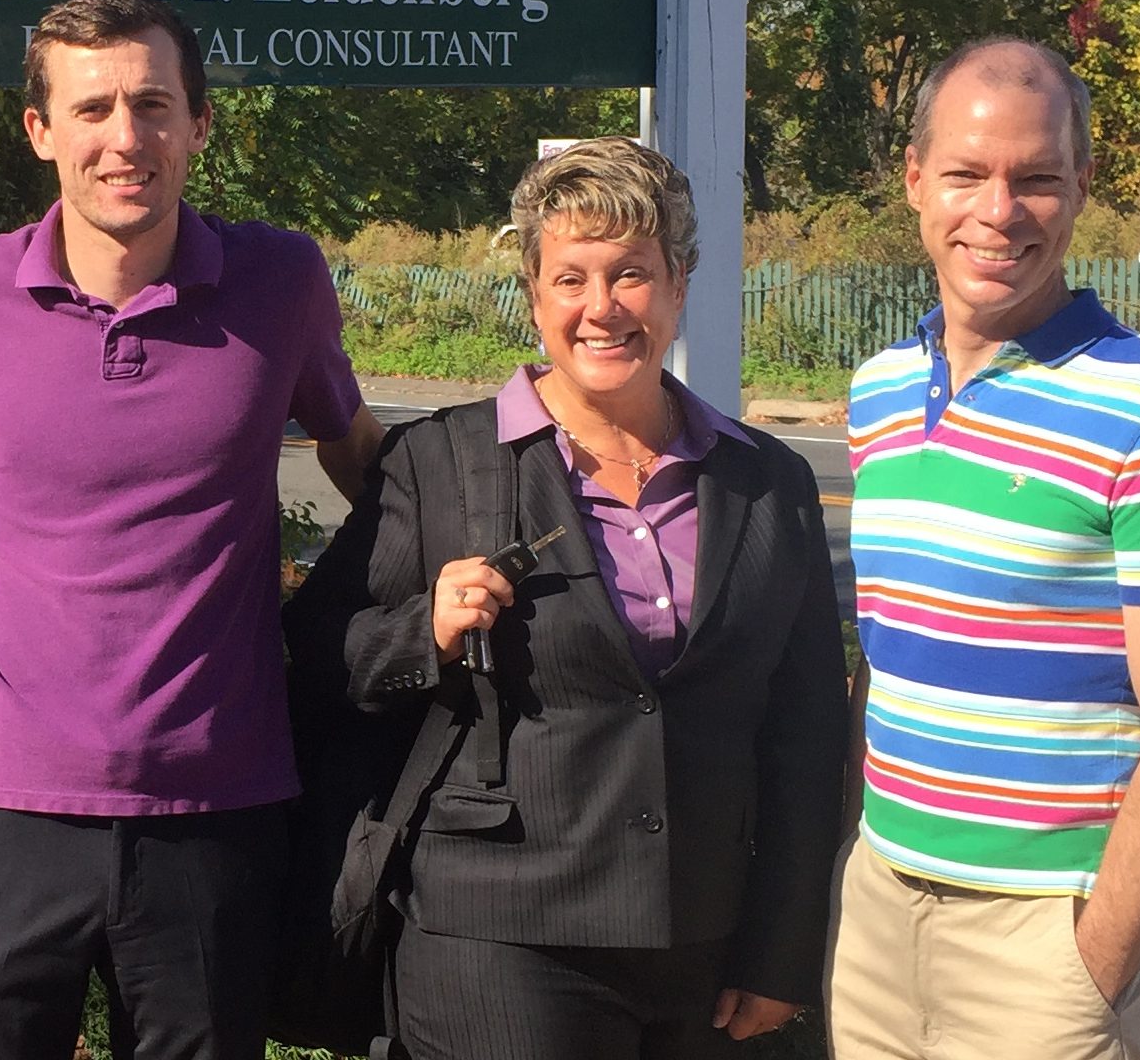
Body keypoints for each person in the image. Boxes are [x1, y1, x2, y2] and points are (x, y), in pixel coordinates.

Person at [0, 0, 386, 1060]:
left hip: (215, 800)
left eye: (153, 105)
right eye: (92, 109)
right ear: (40, 131)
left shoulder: (280, 282)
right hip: (0, 802)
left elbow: (363, 460)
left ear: (199, 124)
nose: (125, 138)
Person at [296, 137, 847, 1059]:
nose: (602, 307)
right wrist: (423, 632)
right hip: (497, 939)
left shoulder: (768, 483)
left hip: (703, 946)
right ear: (533, 295)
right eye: (570, 279)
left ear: (677, 285)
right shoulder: (438, 463)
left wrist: (784, 946)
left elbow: (806, 733)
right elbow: (318, 652)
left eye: (631, 274)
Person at [826, 39, 1140, 1060]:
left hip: (1055, 936)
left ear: (1082, 187)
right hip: (880, 910)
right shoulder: (880, 390)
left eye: (1037, 179)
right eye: (967, 173)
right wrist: (851, 857)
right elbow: (887, 657)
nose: (999, 210)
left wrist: (1091, 970)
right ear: (914, 180)